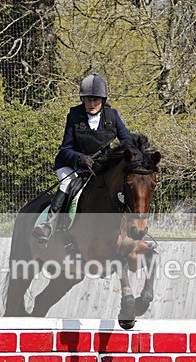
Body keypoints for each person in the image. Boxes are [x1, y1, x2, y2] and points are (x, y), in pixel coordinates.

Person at [32, 73, 131, 244]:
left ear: (103, 100)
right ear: (83, 99)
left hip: (97, 167)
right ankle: (49, 226)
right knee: (67, 184)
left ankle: (130, 230)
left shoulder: (112, 116)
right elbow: (65, 149)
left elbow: (127, 141)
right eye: (87, 100)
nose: (91, 104)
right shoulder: (75, 116)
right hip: (72, 165)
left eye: (95, 100)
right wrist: (80, 158)